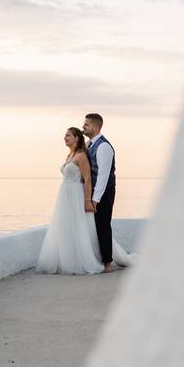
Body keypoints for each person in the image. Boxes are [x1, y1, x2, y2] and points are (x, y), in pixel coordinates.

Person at [35, 127, 135, 275]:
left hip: (76, 194)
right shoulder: (70, 154)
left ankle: (96, 259)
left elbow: (88, 179)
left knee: (82, 226)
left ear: (76, 138)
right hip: (65, 196)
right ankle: (68, 258)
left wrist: (89, 200)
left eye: (68, 135)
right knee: (68, 226)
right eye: (65, 135)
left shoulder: (81, 156)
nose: (65, 138)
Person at [81, 113, 118, 272]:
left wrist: (95, 199)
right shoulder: (89, 145)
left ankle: (107, 263)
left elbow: (103, 175)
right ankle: (98, 258)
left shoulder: (103, 146)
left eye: (86, 124)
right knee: (94, 226)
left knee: (103, 225)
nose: (83, 127)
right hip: (94, 192)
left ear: (95, 127)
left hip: (104, 192)